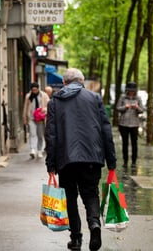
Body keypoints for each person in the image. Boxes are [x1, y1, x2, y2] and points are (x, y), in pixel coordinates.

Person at [45, 68, 117, 251]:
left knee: (70, 198)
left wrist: (51, 164)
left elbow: (51, 135)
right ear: (82, 81)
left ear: (64, 83)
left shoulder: (55, 101)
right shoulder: (95, 99)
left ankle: (76, 239)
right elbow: (106, 131)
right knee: (90, 194)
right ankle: (94, 225)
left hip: (66, 159)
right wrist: (111, 161)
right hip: (92, 157)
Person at [116, 82, 143, 168]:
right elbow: (117, 108)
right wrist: (125, 107)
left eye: (133, 91)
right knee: (125, 143)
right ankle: (125, 161)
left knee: (134, 143)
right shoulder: (123, 97)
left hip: (134, 124)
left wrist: (137, 108)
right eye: (130, 91)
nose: (131, 92)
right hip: (124, 124)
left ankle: (134, 161)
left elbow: (142, 109)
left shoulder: (138, 98)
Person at [23, 82, 50, 159]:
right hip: (31, 118)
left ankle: (39, 150)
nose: (34, 91)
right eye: (33, 90)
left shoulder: (44, 95)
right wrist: (24, 118)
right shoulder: (28, 96)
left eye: (35, 90)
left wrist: (44, 110)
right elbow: (25, 107)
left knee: (40, 135)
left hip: (41, 118)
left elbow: (50, 106)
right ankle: (32, 149)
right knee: (32, 134)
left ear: (38, 89)